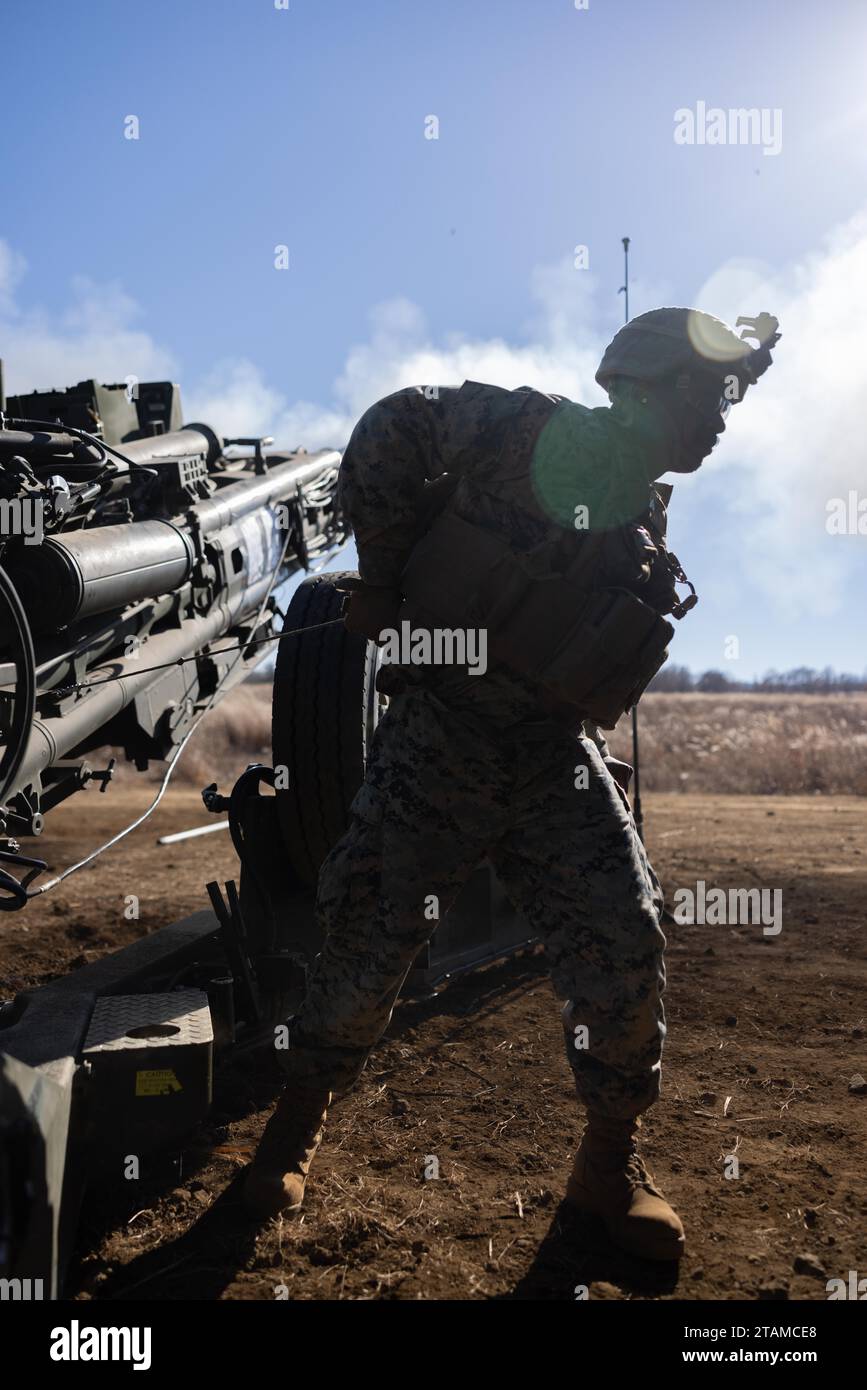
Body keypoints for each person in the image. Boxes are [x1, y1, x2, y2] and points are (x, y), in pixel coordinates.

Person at [243, 307, 779, 1263]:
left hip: (547, 756)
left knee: (624, 939)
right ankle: (290, 1134)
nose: (722, 424)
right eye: (709, 400)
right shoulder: (524, 428)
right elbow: (387, 426)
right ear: (650, 389)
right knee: (372, 934)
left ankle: (606, 1173)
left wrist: (741, 359)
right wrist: (379, 579)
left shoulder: (641, 518)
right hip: (443, 737)